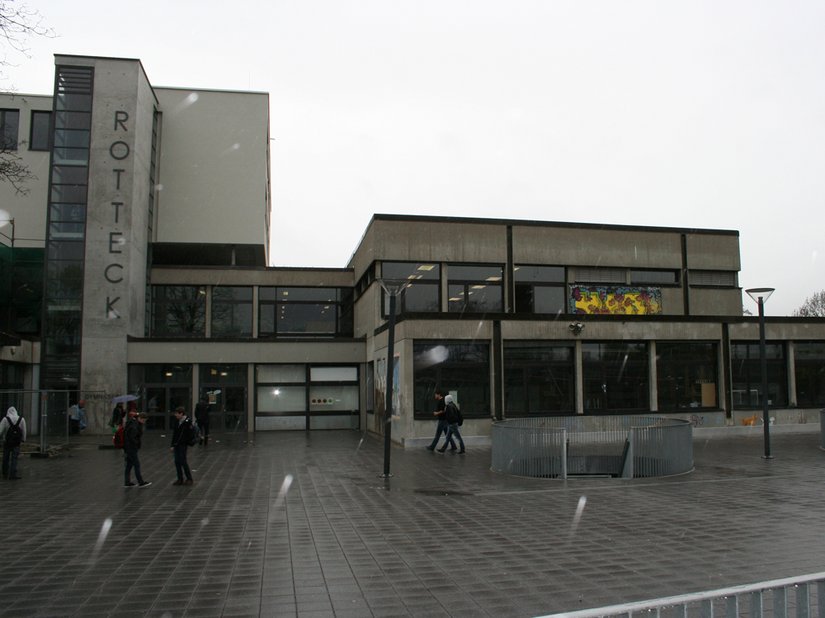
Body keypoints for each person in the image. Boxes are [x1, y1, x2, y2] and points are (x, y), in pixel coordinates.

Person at [124, 410, 151, 487]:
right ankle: (141, 482)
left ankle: (127, 482)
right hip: (131, 448)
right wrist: (136, 444)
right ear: (140, 418)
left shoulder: (133, 423)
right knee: (136, 464)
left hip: (128, 447)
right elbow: (132, 437)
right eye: (144, 420)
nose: (144, 422)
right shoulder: (134, 425)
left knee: (129, 465)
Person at [0, 406, 26, 480]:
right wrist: (23, 439)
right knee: (14, 458)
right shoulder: (21, 419)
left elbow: (0, 430)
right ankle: (13, 474)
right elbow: (24, 430)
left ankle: (5, 472)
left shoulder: (5, 419)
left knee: (6, 457)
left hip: (7, 441)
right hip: (16, 442)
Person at [171, 406, 194, 485]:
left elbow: (189, 434)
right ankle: (179, 479)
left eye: (177, 414)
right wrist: (172, 445)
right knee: (177, 461)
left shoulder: (187, 422)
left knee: (183, 461)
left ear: (181, 414)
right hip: (176, 444)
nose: (175, 415)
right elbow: (175, 434)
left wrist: (186, 441)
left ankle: (189, 478)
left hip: (183, 444)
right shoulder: (177, 421)